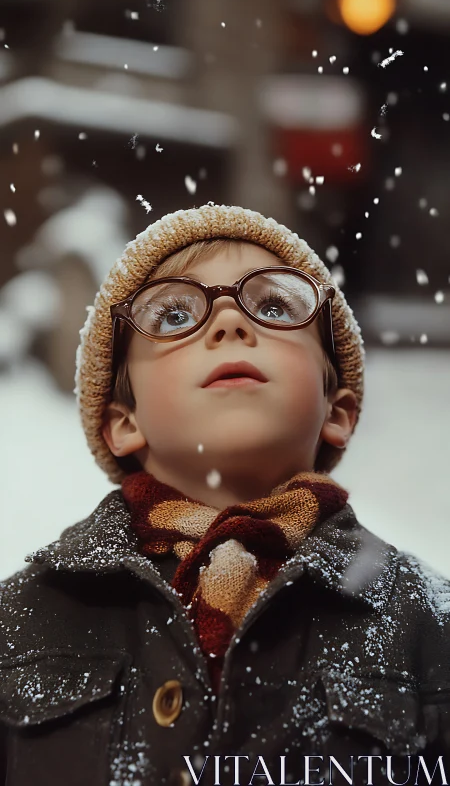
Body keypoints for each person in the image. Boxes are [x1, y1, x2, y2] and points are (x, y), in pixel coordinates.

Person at [1, 203, 449, 786]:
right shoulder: (19, 625)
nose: (231, 322)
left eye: (272, 306)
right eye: (172, 315)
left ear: (336, 413)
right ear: (124, 422)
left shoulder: (430, 630)